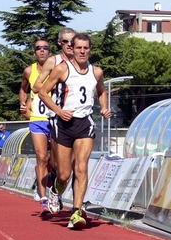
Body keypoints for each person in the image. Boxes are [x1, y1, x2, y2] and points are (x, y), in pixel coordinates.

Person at [38, 33, 112, 229]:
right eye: (78, 48)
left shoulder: (96, 72)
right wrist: (59, 111)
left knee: (81, 167)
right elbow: (43, 92)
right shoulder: (62, 69)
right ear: (72, 48)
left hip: (85, 123)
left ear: (90, 50)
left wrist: (103, 107)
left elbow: (102, 90)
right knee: (64, 174)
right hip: (63, 124)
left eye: (86, 48)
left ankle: (76, 212)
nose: (82, 51)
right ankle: (55, 189)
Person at [31, 27, 76, 209]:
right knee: (47, 159)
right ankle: (46, 194)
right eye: (66, 42)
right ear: (60, 43)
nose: (70, 45)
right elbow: (36, 87)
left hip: (74, 118)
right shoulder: (53, 61)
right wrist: (53, 87)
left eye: (73, 42)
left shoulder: (81, 63)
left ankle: (71, 201)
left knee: (67, 165)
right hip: (52, 117)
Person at [19, 39, 52, 212]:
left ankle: (50, 183)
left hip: (55, 119)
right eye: (38, 48)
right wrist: (23, 103)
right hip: (37, 119)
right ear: (34, 52)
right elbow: (23, 88)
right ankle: (43, 196)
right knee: (41, 157)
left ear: (50, 52)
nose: (42, 50)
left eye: (45, 48)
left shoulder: (57, 69)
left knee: (56, 161)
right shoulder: (29, 71)